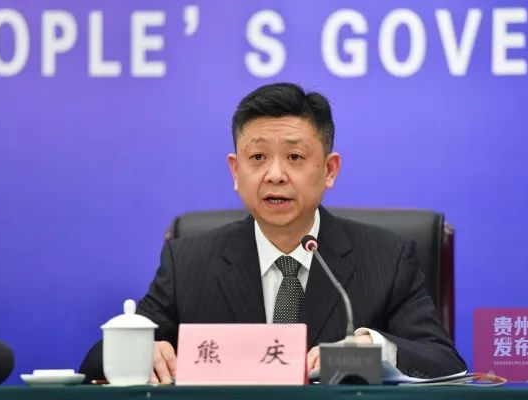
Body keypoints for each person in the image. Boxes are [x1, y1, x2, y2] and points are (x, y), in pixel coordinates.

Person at [80, 82, 466, 382]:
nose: (275, 174)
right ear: (236, 171)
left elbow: (445, 362)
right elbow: (95, 362)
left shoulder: (385, 257)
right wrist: (137, 353)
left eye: (295, 157)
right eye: (258, 157)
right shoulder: (188, 263)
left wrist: (375, 348)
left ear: (329, 170)